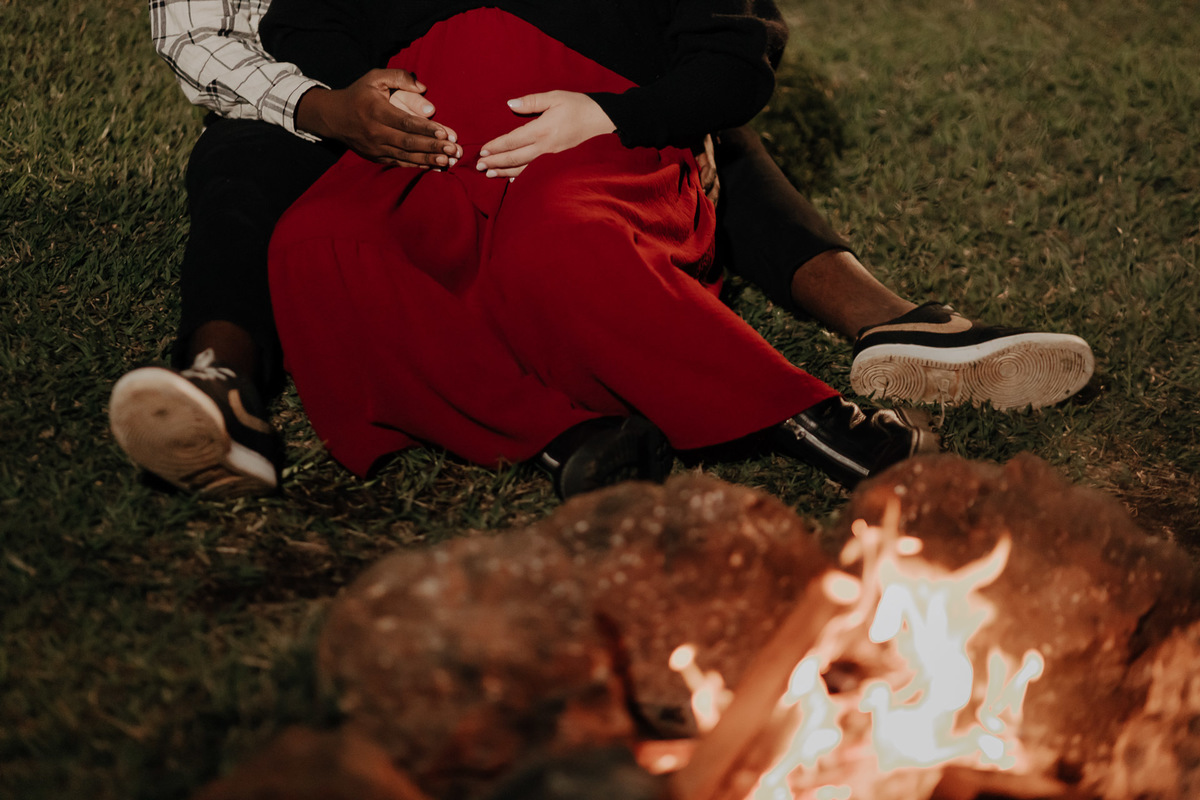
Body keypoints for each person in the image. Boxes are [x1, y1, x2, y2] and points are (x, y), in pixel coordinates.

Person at [107, 0, 1092, 499]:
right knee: (318, 248)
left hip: (588, 146)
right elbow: (298, 31)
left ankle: (811, 415)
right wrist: (344, 99)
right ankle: (566, 435)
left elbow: (733, 51)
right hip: (422, 147)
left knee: (552, 248)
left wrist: (616, 113)